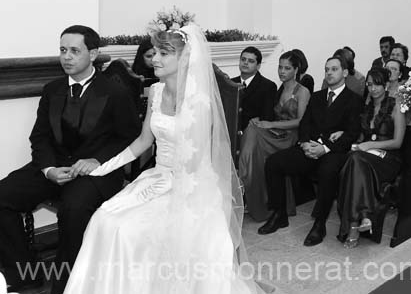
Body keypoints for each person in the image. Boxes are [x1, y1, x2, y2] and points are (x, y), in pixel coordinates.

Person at [64, 25, 264, 294]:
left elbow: (194, 164)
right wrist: (103, 167)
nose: (155, 58)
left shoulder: (199, 102)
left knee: (126, 230)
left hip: (191, 188)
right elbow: (143, 141)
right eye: (155, 52)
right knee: (104, 218)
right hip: (158, 177)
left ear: (185, 58)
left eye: (163, 53)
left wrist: (162, 188)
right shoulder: (156, 92)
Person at [0, 26, 141, 293]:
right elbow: (39, 137)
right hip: (55, 166)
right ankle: (24, 274)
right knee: (2, 195)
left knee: (73, 210)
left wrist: (97, 160)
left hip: (95, 173)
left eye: (75, 51)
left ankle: (66, 285)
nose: (67, 57)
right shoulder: (52, 89)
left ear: (93, 53)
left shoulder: (115, 92)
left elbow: (129, 137)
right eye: (63, 50)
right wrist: (48, 168)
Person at [258, 56, 362, 246]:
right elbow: (305, 124)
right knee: (274, 163)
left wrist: (325, 148)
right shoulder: (317, 97)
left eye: (334, 69)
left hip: (334, 152)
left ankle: (319, 224)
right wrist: (305, 143)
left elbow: (353, 133)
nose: (329, 73)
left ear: (345, 73)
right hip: (309, 147)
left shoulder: (354, 100)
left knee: (327, 172)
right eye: (326, 69)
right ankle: (279, 213)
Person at [336, 68, 406, 248]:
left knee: (355, 160)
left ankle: (354, 225)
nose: (373, 88)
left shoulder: (396, 105)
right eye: (369, 84)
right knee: (353, 159)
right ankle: (363, 217)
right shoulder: (366, 107)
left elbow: (397, 142)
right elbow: (360, 137)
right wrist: (346, 135)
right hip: (365, 158)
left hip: (389, 159)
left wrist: (370, 145)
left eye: (377, 84)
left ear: (386, 85)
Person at [238, 51, 311, 222]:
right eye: (280, 67)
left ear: (296, 70)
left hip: (290, 137)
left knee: (253, 132)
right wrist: (262, 121)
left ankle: (243, 176)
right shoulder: (279, 90)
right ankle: (250, 183)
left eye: (287, 68)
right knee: (252, 126)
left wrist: (271, 124)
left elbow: (301, 122)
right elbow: (269, 116)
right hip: (275, 135)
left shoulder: (302, 91)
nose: (282, 71)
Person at [232, 46, 277, 131]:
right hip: (230, 132)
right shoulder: (231, 83)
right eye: (243, 59)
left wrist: (258, 119)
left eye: (251, 61)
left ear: (258, 66)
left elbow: (268, 117)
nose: (245, 63)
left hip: (254, 133)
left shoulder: (268, 86)